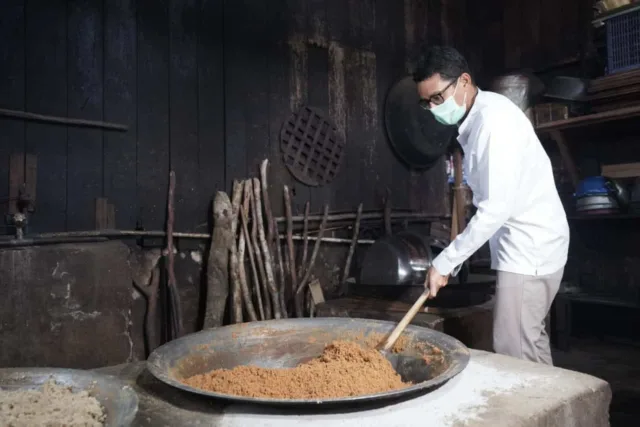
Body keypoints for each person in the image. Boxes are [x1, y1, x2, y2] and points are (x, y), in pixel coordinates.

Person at [413, 45, 570, 365]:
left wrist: (445, 262)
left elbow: (496, 209)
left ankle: (540, 412)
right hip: (531, 245)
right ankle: (554, 411)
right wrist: (453, 260)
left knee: (515, 349)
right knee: (529, 343)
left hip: (530, 249)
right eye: (426, 102)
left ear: (464, 81)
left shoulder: (491, 124)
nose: (432, 108)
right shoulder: (481, 118)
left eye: (438, 98)